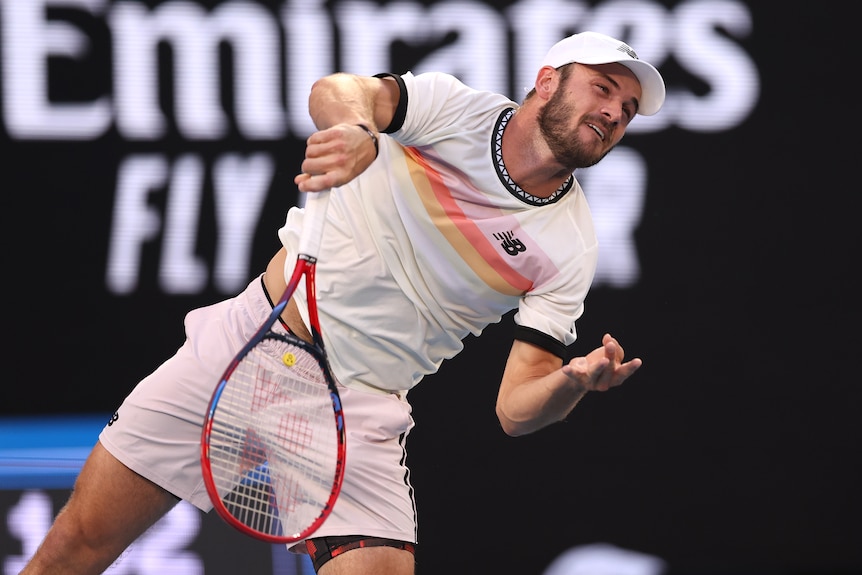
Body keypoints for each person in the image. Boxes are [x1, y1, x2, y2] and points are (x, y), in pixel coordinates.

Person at [20, 30, 665, 575]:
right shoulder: (452, 110)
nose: (614, 112)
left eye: (629, 108)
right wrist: (358, 129)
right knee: (74, 547)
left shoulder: (569, 247)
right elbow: (337, 90)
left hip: (355, 404)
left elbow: (516, 412)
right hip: (247, 340)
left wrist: (573, 382)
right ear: (548, 81)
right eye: (602, 88)